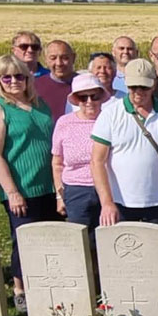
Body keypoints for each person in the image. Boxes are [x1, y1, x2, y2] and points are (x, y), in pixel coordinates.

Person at [0, 54, 58, 310]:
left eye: (20, 76)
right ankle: (20, 288)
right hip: (21, 187)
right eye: (7, 77)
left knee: (49, 238)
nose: (14, 81)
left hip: (47, 185)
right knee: (22, 241)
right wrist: (12, 191)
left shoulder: (41, 105)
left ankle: (47, 283)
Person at [91, 58, 158, 228]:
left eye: (144, 87)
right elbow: (97, 161)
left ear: (154, 85)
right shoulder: (110, 114)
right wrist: (107, 203)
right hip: (121, 203)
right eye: (133, 87)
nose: (138, 92)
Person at [51, 73, 108, 236]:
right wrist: (59, 196)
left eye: (94, 96)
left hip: (108, 187)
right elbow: (57, 163)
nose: (89, 102)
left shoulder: (110, 119)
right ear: (76, 99)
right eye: (83, 97)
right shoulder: (64, 123)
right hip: (76, 190)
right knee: (81, 240)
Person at [0, 32, 49, 101]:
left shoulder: (50, 76)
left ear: (40, 50)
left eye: (35, 47)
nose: (30, 50)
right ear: (13, 50)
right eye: (24, 46)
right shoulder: (3, 78)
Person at [36, 40, 77, 119]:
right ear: (45, 60)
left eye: (64, 58)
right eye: (53, 58)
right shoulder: (35, 86)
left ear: (73, 58)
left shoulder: (84, 85)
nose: (59, 63)